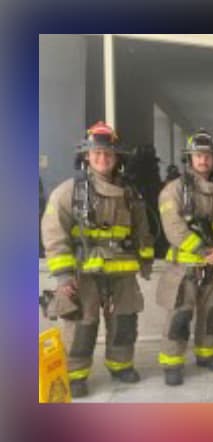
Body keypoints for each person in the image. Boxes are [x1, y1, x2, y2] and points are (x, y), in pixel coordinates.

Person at [41, 122, 155, 398]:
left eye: (108, 153)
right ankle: (76, 375)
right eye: (96, 153)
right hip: (84, 274)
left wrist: (146, 261)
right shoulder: (68, 192)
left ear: (117, 158)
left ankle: (121, 366)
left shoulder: (130, 193)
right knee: (82, 325)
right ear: (86, 157)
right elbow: (54, 234)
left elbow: (142, 230)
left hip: (122, 272)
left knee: (124, 321)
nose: (103, 158)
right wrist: (64, 275)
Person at [155, 129, 213, 385]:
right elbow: (174, 228)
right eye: (198, 155)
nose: (203, 160)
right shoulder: (174, 190)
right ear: (189, 158)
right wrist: (204, 251)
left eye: (208, 155)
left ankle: (207, 355)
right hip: (185, 268)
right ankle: (172, 364)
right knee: (180, 317)